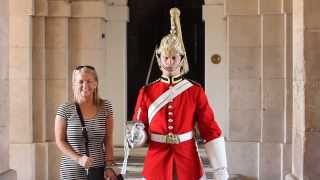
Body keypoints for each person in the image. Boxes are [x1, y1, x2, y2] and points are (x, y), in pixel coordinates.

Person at [127, 8, 229, 180]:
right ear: (159, 59)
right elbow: (140, 125)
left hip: (187, 159)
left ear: (181, 59)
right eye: (166, 57)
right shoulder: (146, 91)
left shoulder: (195, 91)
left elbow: (209, 128)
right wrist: (136, 135)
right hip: (157, 160)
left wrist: (220, 169)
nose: (169, 62)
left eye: (174, 58)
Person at [55, 65, 117, 180]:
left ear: (95, 84)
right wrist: (78, 158)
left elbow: (108, 139)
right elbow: (60, 140)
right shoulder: (65, 109)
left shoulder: (105, 107)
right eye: (81, 82)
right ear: (74, 84)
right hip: (71, 171)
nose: (85, 86)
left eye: (89, 81)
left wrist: (109, 166)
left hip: (97, 171)